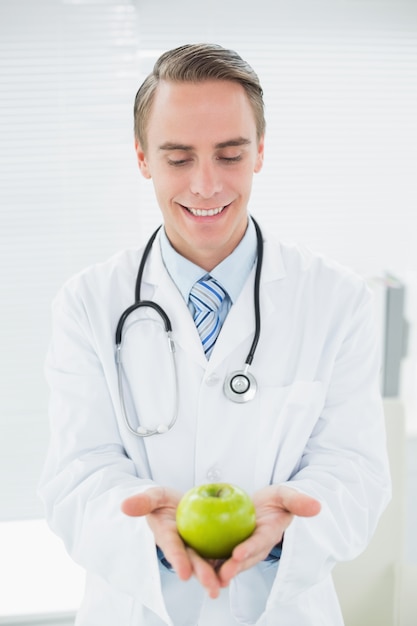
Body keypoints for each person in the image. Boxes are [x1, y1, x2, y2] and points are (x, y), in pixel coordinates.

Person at [39, 43, 391, 626]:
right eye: (179, 159)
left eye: (230, 154)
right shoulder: (87, 303)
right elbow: (78, 471)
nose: (206, 185)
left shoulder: (337, 299)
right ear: (142, 157)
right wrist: (141, 528)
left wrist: (284, 533)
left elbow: (353, 470)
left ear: (260, 153)